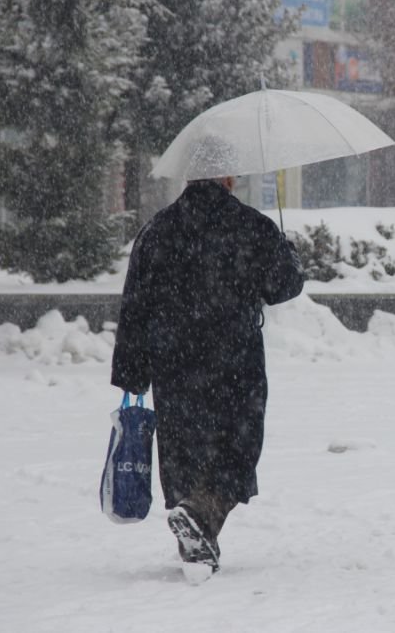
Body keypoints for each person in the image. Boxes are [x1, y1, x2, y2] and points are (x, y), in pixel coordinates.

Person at [111, 172, 305, 579]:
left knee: (183, 450)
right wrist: (289, 255)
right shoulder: (251, 225)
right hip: (234, 364)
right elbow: (283, 286)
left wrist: (132, 370)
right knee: (237, 449)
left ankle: (196, 532)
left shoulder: (157, 230)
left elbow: (135, 305)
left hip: (173, 363)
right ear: (227, 177)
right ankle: (201, 513)